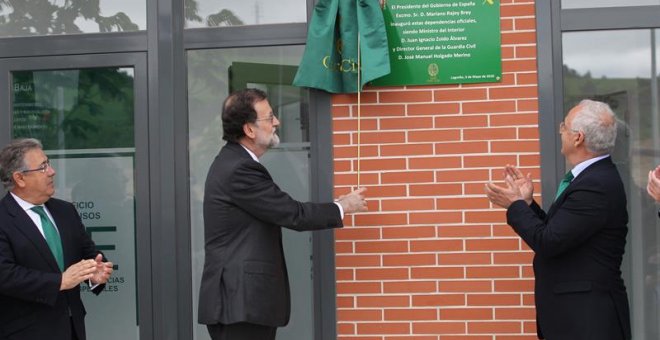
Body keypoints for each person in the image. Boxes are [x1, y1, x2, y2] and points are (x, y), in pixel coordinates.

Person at [197, 88, 368, 340]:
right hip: (240, 302)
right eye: (269, 117)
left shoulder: (235, 163)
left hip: (242, 302)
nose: (276, 122)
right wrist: (343, 206)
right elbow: (292, 214)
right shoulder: (239, 169)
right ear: (249, 130)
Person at [485, 99, 631, 340]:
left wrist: (515, 205)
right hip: (578, 317)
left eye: (564, 126)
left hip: (586, 321)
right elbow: (560, 234)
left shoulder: (595, 185)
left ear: (578, 138)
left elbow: (548, 242)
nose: (560, 130)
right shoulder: (591, 179)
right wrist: (528, 204)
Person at [0, 138, 113, 340]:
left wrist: (95, 274)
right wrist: (59, 281)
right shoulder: (3, 218)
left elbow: (89, 253)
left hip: (72, 329)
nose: (51, 172)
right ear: (20, 178)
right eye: (42, 167)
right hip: (25, 332)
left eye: (49, 163)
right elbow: (5, 275)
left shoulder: (65, 210)